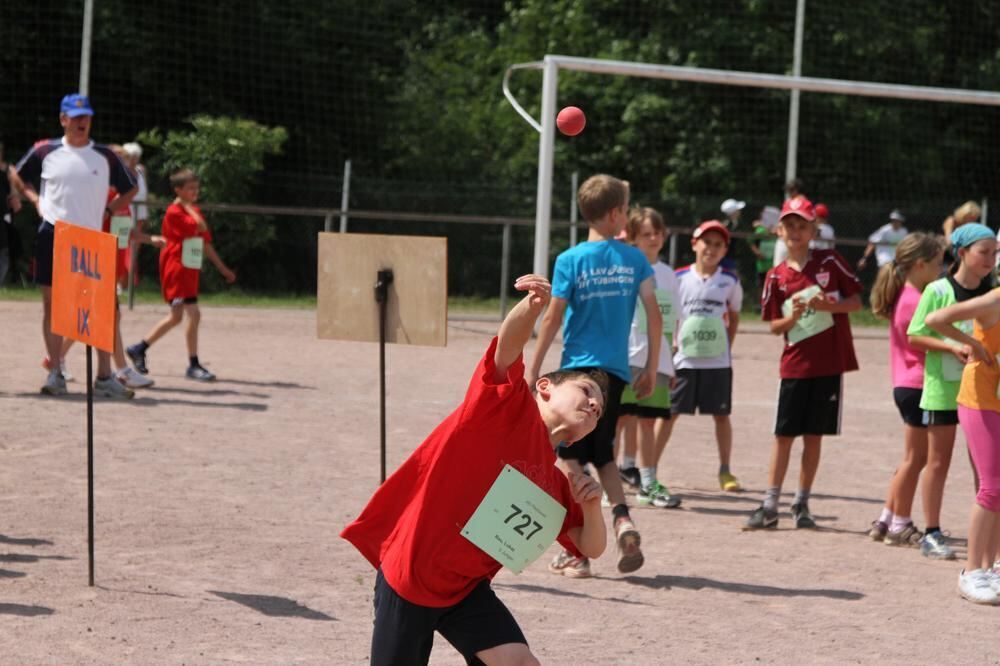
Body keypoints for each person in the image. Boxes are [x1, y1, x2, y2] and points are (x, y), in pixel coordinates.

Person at [341, 274, 608, 663]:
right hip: (410, 575)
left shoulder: (553, 483)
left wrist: (591, 507)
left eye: (599, 411)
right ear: (545, 387)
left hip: (466, 590)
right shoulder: (503, 406)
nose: (594, 405)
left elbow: (591, 547)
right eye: (587, 391)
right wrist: (531, 308)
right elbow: (508, 347)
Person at [527, 173, 662, 577]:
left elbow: (552, 316)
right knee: (602, 453)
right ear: (617, 214)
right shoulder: (635, 259)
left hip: (575, 372)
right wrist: (652, 367)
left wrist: (533, 368)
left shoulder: (570, 259)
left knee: (564, 452)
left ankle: (579, 550)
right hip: (615, 373)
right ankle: (622, 519)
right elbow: (654, 315)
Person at [9, 93, 137, 398]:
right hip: (53, 233)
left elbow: (130, 187)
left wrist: (108, 210)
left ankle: (105, 376)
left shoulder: (105, 155)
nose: (83, 122)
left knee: (99, 308)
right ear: (63, 119)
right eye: (76, 117)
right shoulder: (45, 151)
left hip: (92, 238)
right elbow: (17, 175)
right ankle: (56, 372)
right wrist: (35, 199)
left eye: (87, 117)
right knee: (52, 305)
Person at [745, 197, 862, 529]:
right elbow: (773, 326)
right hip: (794, 366)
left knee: (814, 436)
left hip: (828, 365)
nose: (796, 231)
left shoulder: (831, 262)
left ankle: (802, 503)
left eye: (802, 225)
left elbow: (855, 302)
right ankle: (770, 505)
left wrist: (829, 308)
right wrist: (792, 317)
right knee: (784, 436)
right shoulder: (776, 277)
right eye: (790, 225)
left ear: (814, 230)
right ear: (779, 231)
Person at [884, 223, 998, 559]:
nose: (990, 259)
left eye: (995, 252)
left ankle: (988, 539)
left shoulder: (990, 291)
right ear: (962, 253)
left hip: (984, 391)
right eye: (984, 252)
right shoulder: (938, 290)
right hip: (943, 387)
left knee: (986, 469)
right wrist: (954, 347)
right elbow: (915, 336)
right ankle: (932, 532)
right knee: (938, 461)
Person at [867, 233, 949, 552]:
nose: (941, 270)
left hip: (906, 384)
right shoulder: (916, 299)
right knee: (916, 459)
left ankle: (886, 518)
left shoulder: (906, 293)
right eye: (938, 264)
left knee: (911, 459)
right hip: (916, 385)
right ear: (919, 264)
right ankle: (900, 523)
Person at [925, 277, 1000, 604]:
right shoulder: (994, 301)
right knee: (992, 486)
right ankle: (971, 572)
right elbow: (935, 319)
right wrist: (974, 343)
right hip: (980, 401)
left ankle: (993, 567)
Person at [126, 169, 235, 382]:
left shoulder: (191, 210)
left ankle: (140, 348)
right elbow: (200, 226)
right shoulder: (175, 211)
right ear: (178, 190)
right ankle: (192, 364)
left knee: (179, 316)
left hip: (189, 268)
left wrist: (222, 268)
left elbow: (205, 241)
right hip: (176, 267)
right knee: (192, 314)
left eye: (197, 188)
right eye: (190, 188)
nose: (196, 192)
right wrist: (187, 207)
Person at [616, 206, 682, 508]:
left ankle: (648, 482)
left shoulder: (669, 275)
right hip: (628, 355)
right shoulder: (626, 270)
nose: (653, 237)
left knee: (648, 422)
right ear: (632, 237)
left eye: (657, 232)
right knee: (618, 420)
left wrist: (670, 362)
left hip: (659, 360)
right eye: (646, 233)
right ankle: (610, 484)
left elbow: (670, 322)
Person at [671, 220, 743, 491]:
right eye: (706, 242)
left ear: (724, 250)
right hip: (685, 359)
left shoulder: (729, 280)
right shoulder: (678, 278)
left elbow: (734, 317)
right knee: (670, 414)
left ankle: (725, 470)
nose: (711, 249)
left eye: (718, 245)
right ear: (694, 244)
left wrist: (727, 346)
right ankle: (650, 470)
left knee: (721, 416)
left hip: (717, 361)